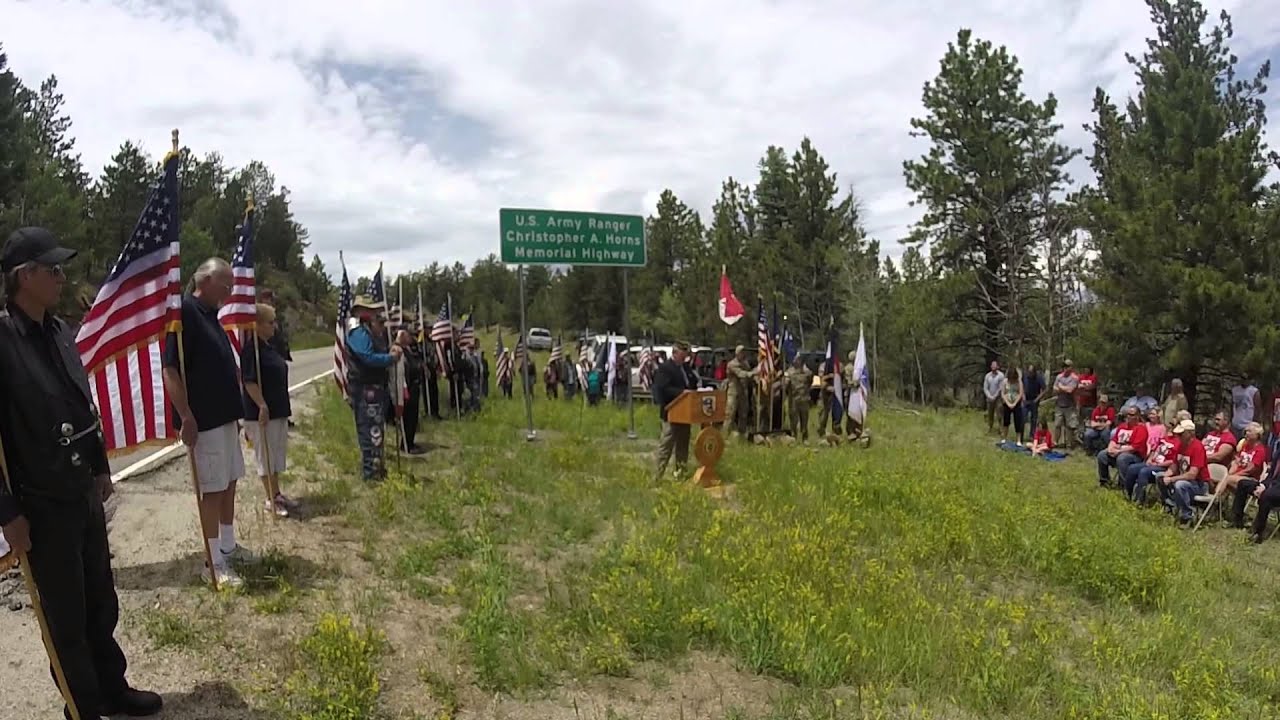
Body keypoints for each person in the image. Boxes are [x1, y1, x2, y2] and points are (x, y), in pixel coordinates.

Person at [0, 227, 163, 720]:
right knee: (66, 617)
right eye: (53, 269)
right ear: (24, 276)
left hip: (81, 494)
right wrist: (7, 513)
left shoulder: (60, 331)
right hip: (40, 502)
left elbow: (80, 401)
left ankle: (112, 689)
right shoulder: (2, 341)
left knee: (100, 600)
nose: (62, 277)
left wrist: (100, 466)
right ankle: (84, 707)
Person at [162, 258, 251, 587]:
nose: (230, 292)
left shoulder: (211, 316)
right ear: (206, 281)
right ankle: (212, 562)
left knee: (229, 482)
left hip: (225, 418)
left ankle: (228, 546)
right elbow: (170, 368)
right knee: (212, 490)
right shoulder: (185, 312)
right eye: (226, 285)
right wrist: (185, 415)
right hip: (205, 421)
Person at [241, 303, 299, 517]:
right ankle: (269, 499)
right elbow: (249, 381)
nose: (274, 326)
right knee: (265, 456)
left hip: (278, 410)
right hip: (262, 414)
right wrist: (262, 404)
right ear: (256, 325)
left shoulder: (268, 347)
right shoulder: (251, 350)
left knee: (275, 456)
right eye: (270, 322)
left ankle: (277, 493)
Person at [345, 297, 402, 481]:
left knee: (376, 429)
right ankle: (371, 473)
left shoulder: (369, 332)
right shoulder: (358, 332)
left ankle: (377, 469)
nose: (375, 314)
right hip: (365, 389)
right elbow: (367, 357)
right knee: (370, 430)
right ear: (361, 312)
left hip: (374, 388)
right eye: (371, 310)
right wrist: (390, 358)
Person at [652, 341, 698, 479]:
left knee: (683, 446)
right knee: (666, 446)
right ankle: (657, 476)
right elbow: (663, 388)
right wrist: (682, 393)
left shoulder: (686, 368)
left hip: (685, 414)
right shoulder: (665, 368)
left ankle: (680, 474)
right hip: (671, 412)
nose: (685, 357)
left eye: (686, 355)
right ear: (675, 353)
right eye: (683, 355)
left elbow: (693, 383)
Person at [1158, 419, 1209, 526]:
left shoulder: (1198, 447)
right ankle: (1170, 506)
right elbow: (1174, 465)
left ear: (1190, 433)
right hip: (1184, 479)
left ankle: (1187, 515)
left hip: (1199, 484)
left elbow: (1192, 474)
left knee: (1180, 485)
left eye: (1181, 434)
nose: (1178, 436)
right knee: (1160, 477)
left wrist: (1172, 479)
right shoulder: (1180, 446)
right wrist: (1167, 474)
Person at [1220, 422, 1268, 528]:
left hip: (1250, 479)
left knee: (1226, 480)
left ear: (1257, 435)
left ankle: (1214, 502)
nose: (1246, 433)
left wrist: (1233, 475)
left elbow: (1250, 470)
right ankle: (1220, 508)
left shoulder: (1260, 450)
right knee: (1224, 478)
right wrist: (1231, 471)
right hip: (1236, 477)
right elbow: (1237, 461)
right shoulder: (1245, 446)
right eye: (1246, 431)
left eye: (1249, 431)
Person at [1123, 425, 1182, 506]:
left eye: (1172, 427)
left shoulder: (1178, 443)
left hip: (1163, 467)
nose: (1169, 429)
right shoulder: (1164, 438)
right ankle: (1128, 494)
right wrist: (1149, 459)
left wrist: (1158, 464)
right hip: (1153, 463)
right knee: (1132, 468)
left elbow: (1173, 461)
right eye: (1168, 427)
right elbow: (1154, 451)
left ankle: (1139, 499)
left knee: (1144, 472)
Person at [1097, 406, 1148, 488]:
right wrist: (1110, 448)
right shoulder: (1122, 426)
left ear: (1138, 416)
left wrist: (1118, 451)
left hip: (1135, 456)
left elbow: (1134, 447)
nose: (1129, 416)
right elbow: (1114, 440)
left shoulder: (1141, 429)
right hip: (1119, 451)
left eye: (1132, 415)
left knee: (1122, 458)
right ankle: (1104, 481)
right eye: (1128, 414)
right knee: (1102, 455)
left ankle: (1124, 485)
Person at [395, 329, 424, 454]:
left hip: (414, 386)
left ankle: (410, 442)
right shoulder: (397, 350)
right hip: (406, 388)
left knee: (413, 418)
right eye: (408, 336)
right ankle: (406, 445)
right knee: (408, 418)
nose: (411, 338)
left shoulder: (407, 350)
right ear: (402, 336)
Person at [724, 346, 758, 438]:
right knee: (730, 414)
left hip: (743, 391)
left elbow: (749, 373)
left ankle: (742, 434)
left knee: (743, 413)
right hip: (733, 392)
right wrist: (753, 373)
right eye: (741, 352)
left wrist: (756, 372)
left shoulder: (745, 363)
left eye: (744, 352)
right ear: (737, 353)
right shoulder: (732, 364)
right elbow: (741, 374)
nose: (743, 354)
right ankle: (725, 435)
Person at [1051, 360, 1080, 449]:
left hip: (1070, 405)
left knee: (1069, 426)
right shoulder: (1059, 377)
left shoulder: (1074, 378)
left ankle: (1069, 444)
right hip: (1059, 404)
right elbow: (1054, 389)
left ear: (1071, 367)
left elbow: (1070, 390)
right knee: (1057, 425)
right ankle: (1055, 443)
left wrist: (1060, 387)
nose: (1065, 368)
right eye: (1064, 366)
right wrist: (1063, 389)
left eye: (1067, 366)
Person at [784, 354, 813, 443]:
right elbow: (785, 386)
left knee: (804, 419)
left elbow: (810, 380)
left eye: (799, 360)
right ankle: (794, 436)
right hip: (793, 400)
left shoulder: (806, 371)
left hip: (804, 399)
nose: (798, 361)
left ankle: (805, 438)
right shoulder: (789, 372)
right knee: (793, 419)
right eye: (796, 359)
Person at [1000, 367, 1026, 444]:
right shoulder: (1005, 381)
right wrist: (1008, 403)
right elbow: (1003, 393)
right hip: (1007, 403)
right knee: (1006, 421)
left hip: (1016, 404)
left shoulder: (1019, 382)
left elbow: (1020, 393)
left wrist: (1014, 403)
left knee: (1018, 422)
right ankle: (1004, 438)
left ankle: (1018, 440)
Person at [982, 360, 1005, 434]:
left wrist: (995, 396)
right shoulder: (987, 376)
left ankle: (1001, 428)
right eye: (992, 365)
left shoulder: (1001, 375)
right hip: (989, 398)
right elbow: (985, 388)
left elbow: (1001, 387)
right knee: (990, 413)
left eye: (995, 365)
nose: (993, 367)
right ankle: (990, 427)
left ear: (997, 367)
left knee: (999, 414)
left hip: (998, 398)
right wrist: (989, 396)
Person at [1022, 364, 1046, 433]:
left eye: (1031, 372)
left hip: (1034, 400)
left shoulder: (1039, 377)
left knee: (1034, 418)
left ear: (1034, 372)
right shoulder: (1025, 376)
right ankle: (1020, 434)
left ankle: (1032, 434)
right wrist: (1023, 396)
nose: (1029, 373)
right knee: (1023, 417)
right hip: (1025, 399)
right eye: (1029, 372)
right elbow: (1021, 386)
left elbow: (1044, 390)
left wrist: (1037, 399)